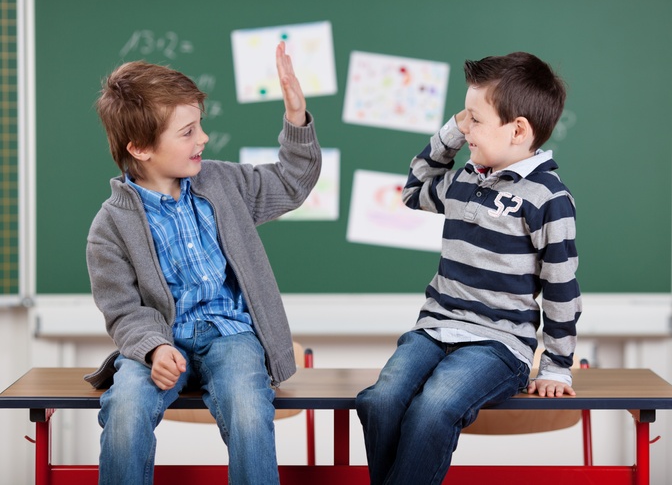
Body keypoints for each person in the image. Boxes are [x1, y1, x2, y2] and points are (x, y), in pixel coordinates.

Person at [83, 42, 321, 485]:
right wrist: (154, 348)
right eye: (188, 132)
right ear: (140, 148)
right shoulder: (110, 225)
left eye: (200, 126)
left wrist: (295, 117)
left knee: (250, 408)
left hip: (231, 335)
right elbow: (122, 310)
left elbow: (292, 182)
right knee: (126, 405)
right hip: (161, 342)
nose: (203, 139)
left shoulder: (223, 182)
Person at [356, 52, 581, 484]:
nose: (466, 129)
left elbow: (561, 288)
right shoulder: (465, 181)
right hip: (435, 328)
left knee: (433, 408)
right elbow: (414, 190)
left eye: (475, 120)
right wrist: (451, 132)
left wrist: (555, 365)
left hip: (499, 344)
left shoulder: (549, 198)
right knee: (379, 401)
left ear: (518, 130)